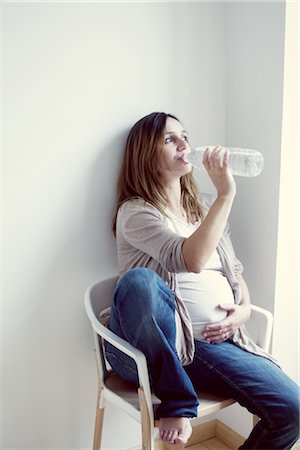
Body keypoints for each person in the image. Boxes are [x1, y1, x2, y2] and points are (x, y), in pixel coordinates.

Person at [104, 112, 299, 448]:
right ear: (145, 155)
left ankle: (180, 392)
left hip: (211, 347)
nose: (184, 145)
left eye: (185, 136)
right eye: (169, 139)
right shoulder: (135, 212)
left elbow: (233, 271)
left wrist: (245, 310)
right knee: (140, 282)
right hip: (148, 351)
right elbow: (189, 260)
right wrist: (227, 194)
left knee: (292, 409)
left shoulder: (205, 207)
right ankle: (177, 401)